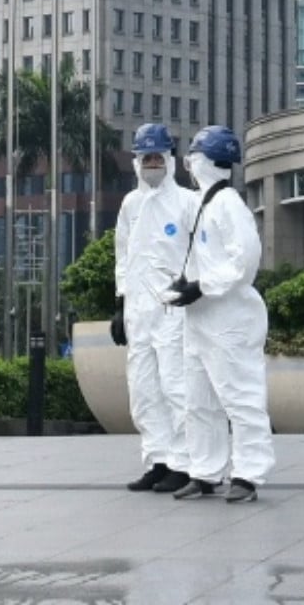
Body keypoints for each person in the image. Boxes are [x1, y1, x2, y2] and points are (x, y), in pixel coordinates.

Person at [165, 123, 272, 503]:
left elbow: (244, 262)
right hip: (202, 319)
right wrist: (187, 286)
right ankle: (206, 471)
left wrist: (202, 286)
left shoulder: (229, 205)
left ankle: (248, 473)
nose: (189, 164)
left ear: (208, 161)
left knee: (241, 396)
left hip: (230, 317)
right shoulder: (204, 205)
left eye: (193, 157)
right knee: (200, 399)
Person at [111, 122, 199, 492]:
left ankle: (185, 462)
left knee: (175, 386)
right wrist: (119, 302)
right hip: (138, 311)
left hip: (172, 310)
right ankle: (158, 459)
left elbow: (200, 252)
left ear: (169, 159)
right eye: (144, 157)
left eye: (156, 157)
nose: (151, 164)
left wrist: (195, 289)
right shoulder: (130, 204)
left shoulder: (187, 202)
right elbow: (122, 253)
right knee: (144, 389)